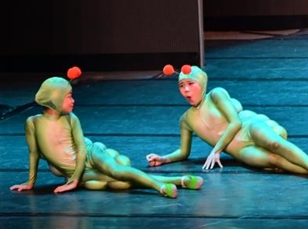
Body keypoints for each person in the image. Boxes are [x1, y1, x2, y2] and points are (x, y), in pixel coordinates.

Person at [10, 75, 202, 198]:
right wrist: (30, 182)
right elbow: (34, 153)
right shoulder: (33, 123)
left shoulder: (71, 119)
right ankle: (180, 180)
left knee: (117, 171)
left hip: (90, 155)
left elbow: (82, 148)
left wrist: (75, 180)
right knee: (120, 181)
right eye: (68, 96)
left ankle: (159, 187)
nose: (73, 100)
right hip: (75, 171)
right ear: (55, 99)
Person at [146, 66, 308, 182]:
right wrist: (164, 158)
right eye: (182, 86)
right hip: (239, 150)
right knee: (274, 161)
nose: (186, 90)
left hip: (247, 128)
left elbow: (235, 122)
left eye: (191, 84)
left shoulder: (216, 95)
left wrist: (216, 150)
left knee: (275, 144)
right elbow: (183, 152)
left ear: (202, 84)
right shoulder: (186, 119)